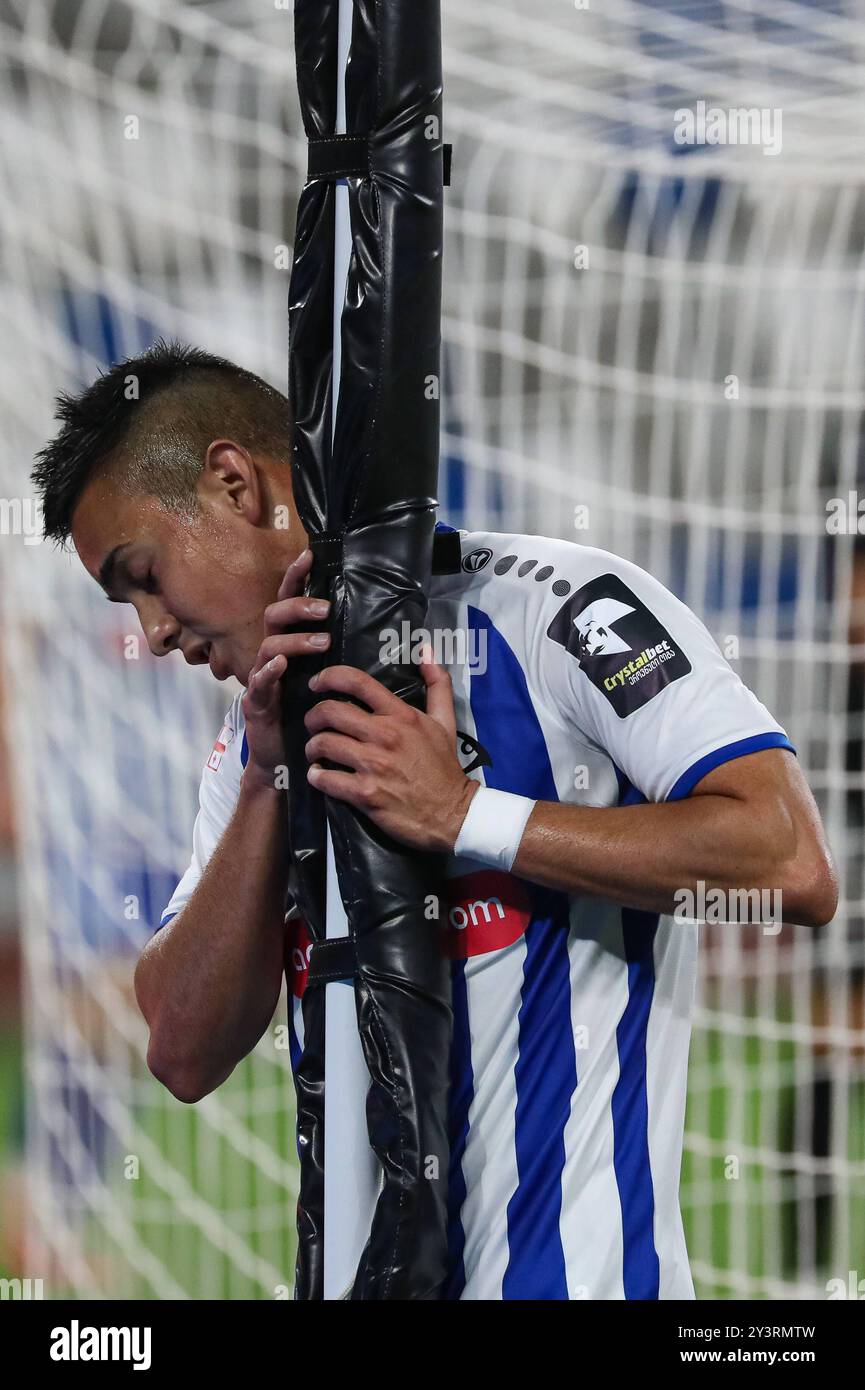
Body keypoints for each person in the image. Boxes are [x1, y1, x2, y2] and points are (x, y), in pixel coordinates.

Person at [33, 341, 838, 1300]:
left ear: (233, 483)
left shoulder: (558, 610)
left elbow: (791, 862)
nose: (153, 632)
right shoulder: (250, 745)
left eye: (145, 576)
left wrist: (466, 815)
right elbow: (179, 1051)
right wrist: (261, 784)